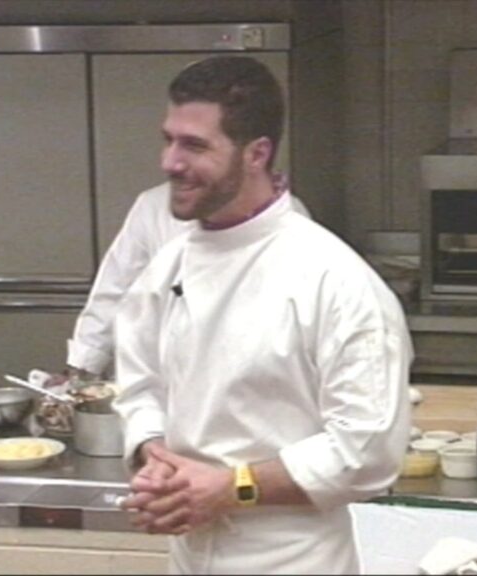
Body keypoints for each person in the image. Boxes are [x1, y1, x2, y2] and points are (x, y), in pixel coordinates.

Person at [114, 56, 414, 574]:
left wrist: (233, 489)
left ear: (257, 153)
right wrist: (156, 460)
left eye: (194, 145)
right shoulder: (169, 266)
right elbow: (139, 386)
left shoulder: (334, 280)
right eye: (169, 139)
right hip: (189, 557)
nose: (169, 162)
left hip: (291, 561)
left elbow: (367, 452)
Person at [64, 179, 309, 380]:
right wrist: (83, 367)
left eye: (196, 146)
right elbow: (116, 289)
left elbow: (300, 319)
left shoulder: (289, 217)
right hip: (162, 382)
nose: (172, 161)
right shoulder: (154, 206)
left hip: (249, 384)